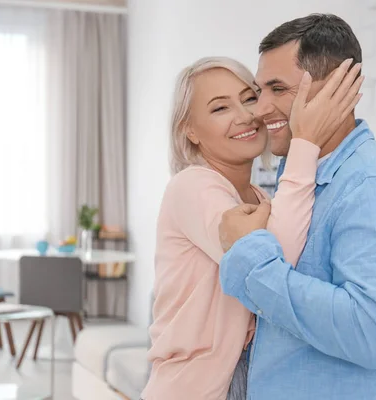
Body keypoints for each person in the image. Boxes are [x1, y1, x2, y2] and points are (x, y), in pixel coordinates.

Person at [218, 14, 376, 400]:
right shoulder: (306, 175)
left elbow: (369, 332)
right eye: (260, 90)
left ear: (337, 87)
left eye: (278, 88)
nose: (259, 109)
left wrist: (250, 258)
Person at [141, 56, 362, 400]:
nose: (245, 116)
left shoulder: (259, 198)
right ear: (190, 130)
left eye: (249, 98)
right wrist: (306, 141)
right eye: (219, 108)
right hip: (194, 389)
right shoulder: (192, 186)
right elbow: (274, 259)